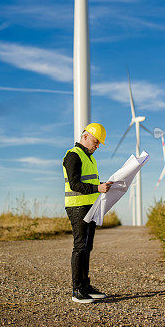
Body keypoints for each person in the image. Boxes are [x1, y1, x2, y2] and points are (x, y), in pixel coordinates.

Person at [63, 123, 113, 304]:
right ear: (85, 137)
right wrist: (97, 188)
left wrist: (102, 188)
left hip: (91, 207)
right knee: (79, 247)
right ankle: (77, 290)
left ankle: (85, 286)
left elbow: (91, 184)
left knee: (87, 247)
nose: (97, 146)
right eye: (96, 141)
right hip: (77, 208)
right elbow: (75, 184)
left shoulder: (90, 158)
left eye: (99, 143)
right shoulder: (72, 156)